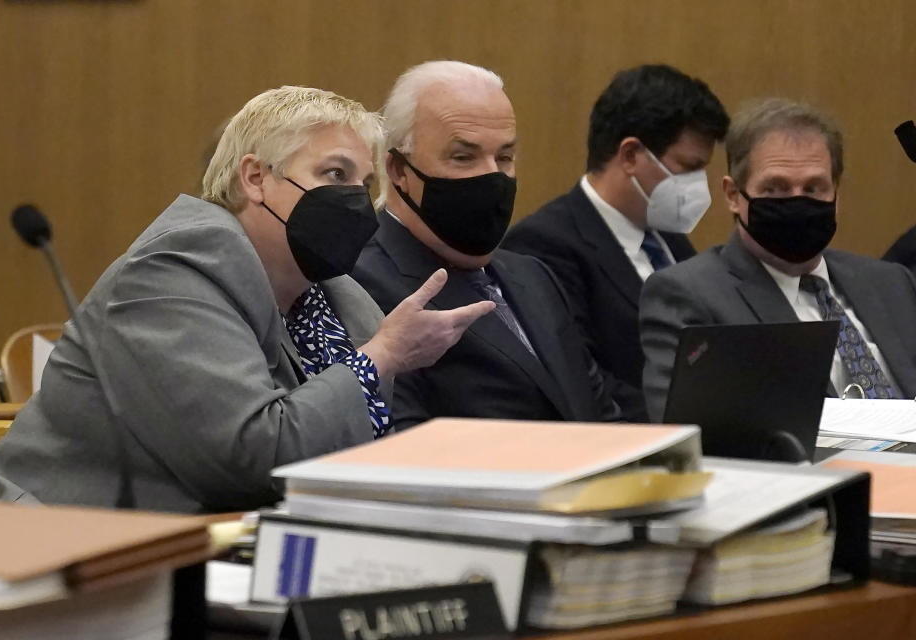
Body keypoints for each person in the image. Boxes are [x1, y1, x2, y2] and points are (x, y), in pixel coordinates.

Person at [0, 87, 493, 512]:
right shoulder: (173, 270)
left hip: (225, 550)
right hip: (58, 557)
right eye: (334, 175)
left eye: (365, 182)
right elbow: (253, 460)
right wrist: (382, 357)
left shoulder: (343, 299)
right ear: (255, 179)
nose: (357, 199)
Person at [353, 61, 620, 431]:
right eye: (464, 157)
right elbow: (406, 444)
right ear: (399, 171)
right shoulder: (358, 283)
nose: (493, 176)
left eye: (505, 157)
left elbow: (600, 412)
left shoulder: (535, 276)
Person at [640, 98, 916, 422]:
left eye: (814, 188)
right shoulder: (688, 296)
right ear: (733, 195)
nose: (796, 200)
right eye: (775, 189)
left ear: (836, 194)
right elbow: (692, 434)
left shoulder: (891, 282)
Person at [503, 65, 728, 421]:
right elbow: (579, 377)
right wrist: (691, 423)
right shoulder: (544, 245)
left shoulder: (671, 241)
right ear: (630, 156)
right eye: (687, 167)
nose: (698, 185)